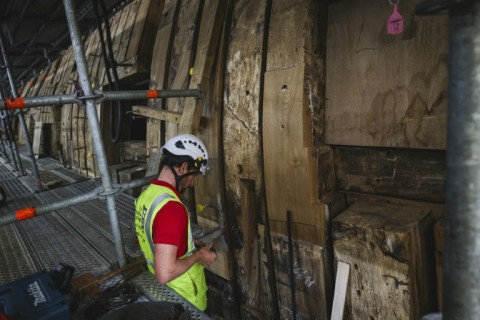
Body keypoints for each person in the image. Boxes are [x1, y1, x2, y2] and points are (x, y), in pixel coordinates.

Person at [135, 134, 217, 312]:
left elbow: (152, 234)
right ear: (183, 167)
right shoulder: (172, 209)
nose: (192, 183)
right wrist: (199, 256)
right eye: (193, 176)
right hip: (184, 300)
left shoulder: (147, 195)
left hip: (162, 295)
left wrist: (183, 242)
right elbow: (165, 273)